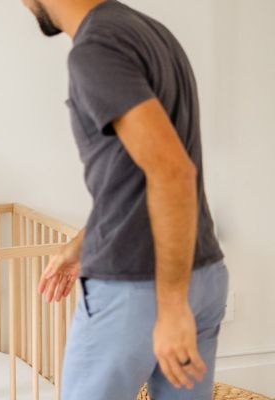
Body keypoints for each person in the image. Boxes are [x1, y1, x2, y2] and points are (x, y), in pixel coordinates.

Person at [24, 1, 229, 398]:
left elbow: (172, 172)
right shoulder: (151, 33)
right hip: (202, 274)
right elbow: (138, 176)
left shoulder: (94, 49)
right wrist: (81, 244)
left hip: (135, 288)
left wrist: (170, 307)